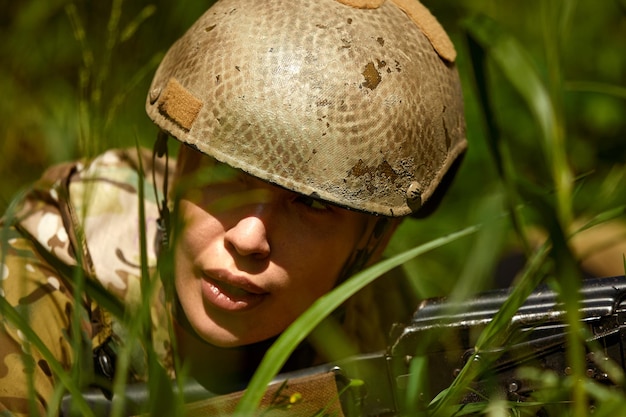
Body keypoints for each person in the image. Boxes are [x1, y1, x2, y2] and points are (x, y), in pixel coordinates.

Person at [0, 0, 466, 415]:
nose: (248, 238)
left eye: (309, 204)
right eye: (225, 174)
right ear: (180, 164)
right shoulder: (44, 280)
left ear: (375, 240)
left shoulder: (376, 309)